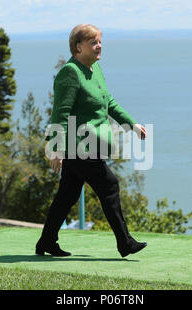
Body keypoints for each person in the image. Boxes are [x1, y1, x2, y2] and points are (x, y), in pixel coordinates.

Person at [35, 24, 148, 258]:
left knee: (67, 194)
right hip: (80, 146)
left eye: (100, 41)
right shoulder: (70, 73)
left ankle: (46, 241)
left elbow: (109, 103)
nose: (99, 46)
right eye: (93, 42)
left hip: (91, 146)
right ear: (78, 47)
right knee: (109, 185)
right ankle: (124, 242)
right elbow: (60, 113)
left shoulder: (95, 68)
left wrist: (132, 125)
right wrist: (56, 149)